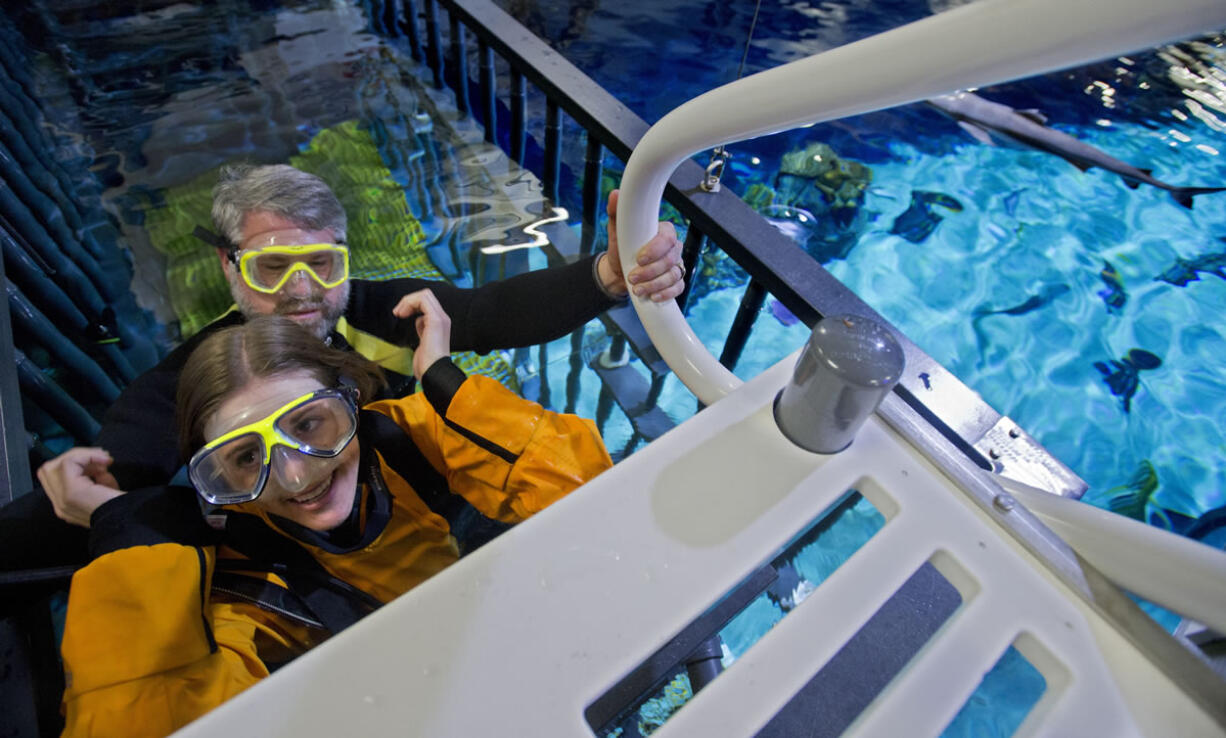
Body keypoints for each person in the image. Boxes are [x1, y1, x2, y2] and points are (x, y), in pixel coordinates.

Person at [3, 164, 682, 576]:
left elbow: (490, 310)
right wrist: (100, 501)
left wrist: (605, 276)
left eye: (320, 264)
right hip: (314, 554)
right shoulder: (205, 375)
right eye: (273, 266)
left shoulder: (387, 309)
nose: (300, 290)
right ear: (228, 267)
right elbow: (124, 461)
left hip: (434, 506)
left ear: (344, 260)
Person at [57, 309, 613, 735]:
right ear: (218, 478)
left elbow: (600, 505)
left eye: (310, 424)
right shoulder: (245, 583)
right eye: (247, 457)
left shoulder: (409, 435)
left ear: (351, 402)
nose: (297, 477)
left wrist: (449, 386)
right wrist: (130, 538)